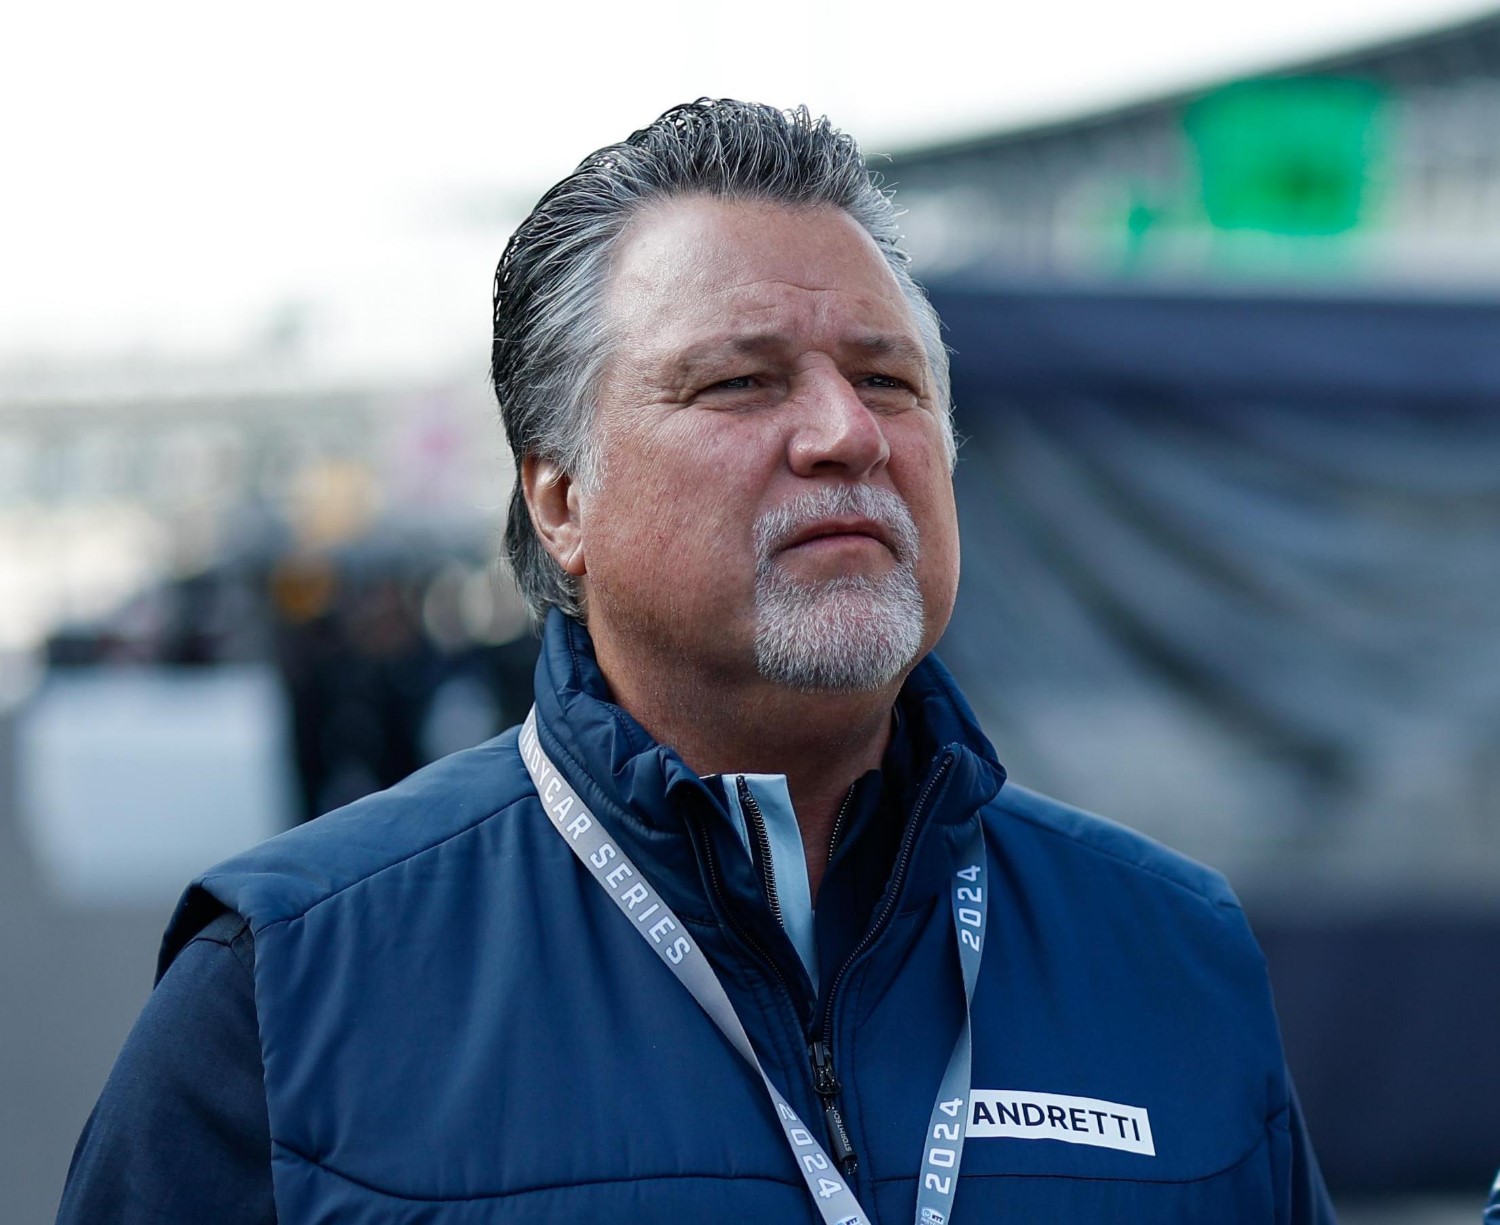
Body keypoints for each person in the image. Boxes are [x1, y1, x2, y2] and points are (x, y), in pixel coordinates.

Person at [59, 100, 1334, 1224]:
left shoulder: (1175, 950)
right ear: (560, 498)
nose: (844, 432)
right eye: (739, 382)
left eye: (888, 380)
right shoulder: (287, 992)